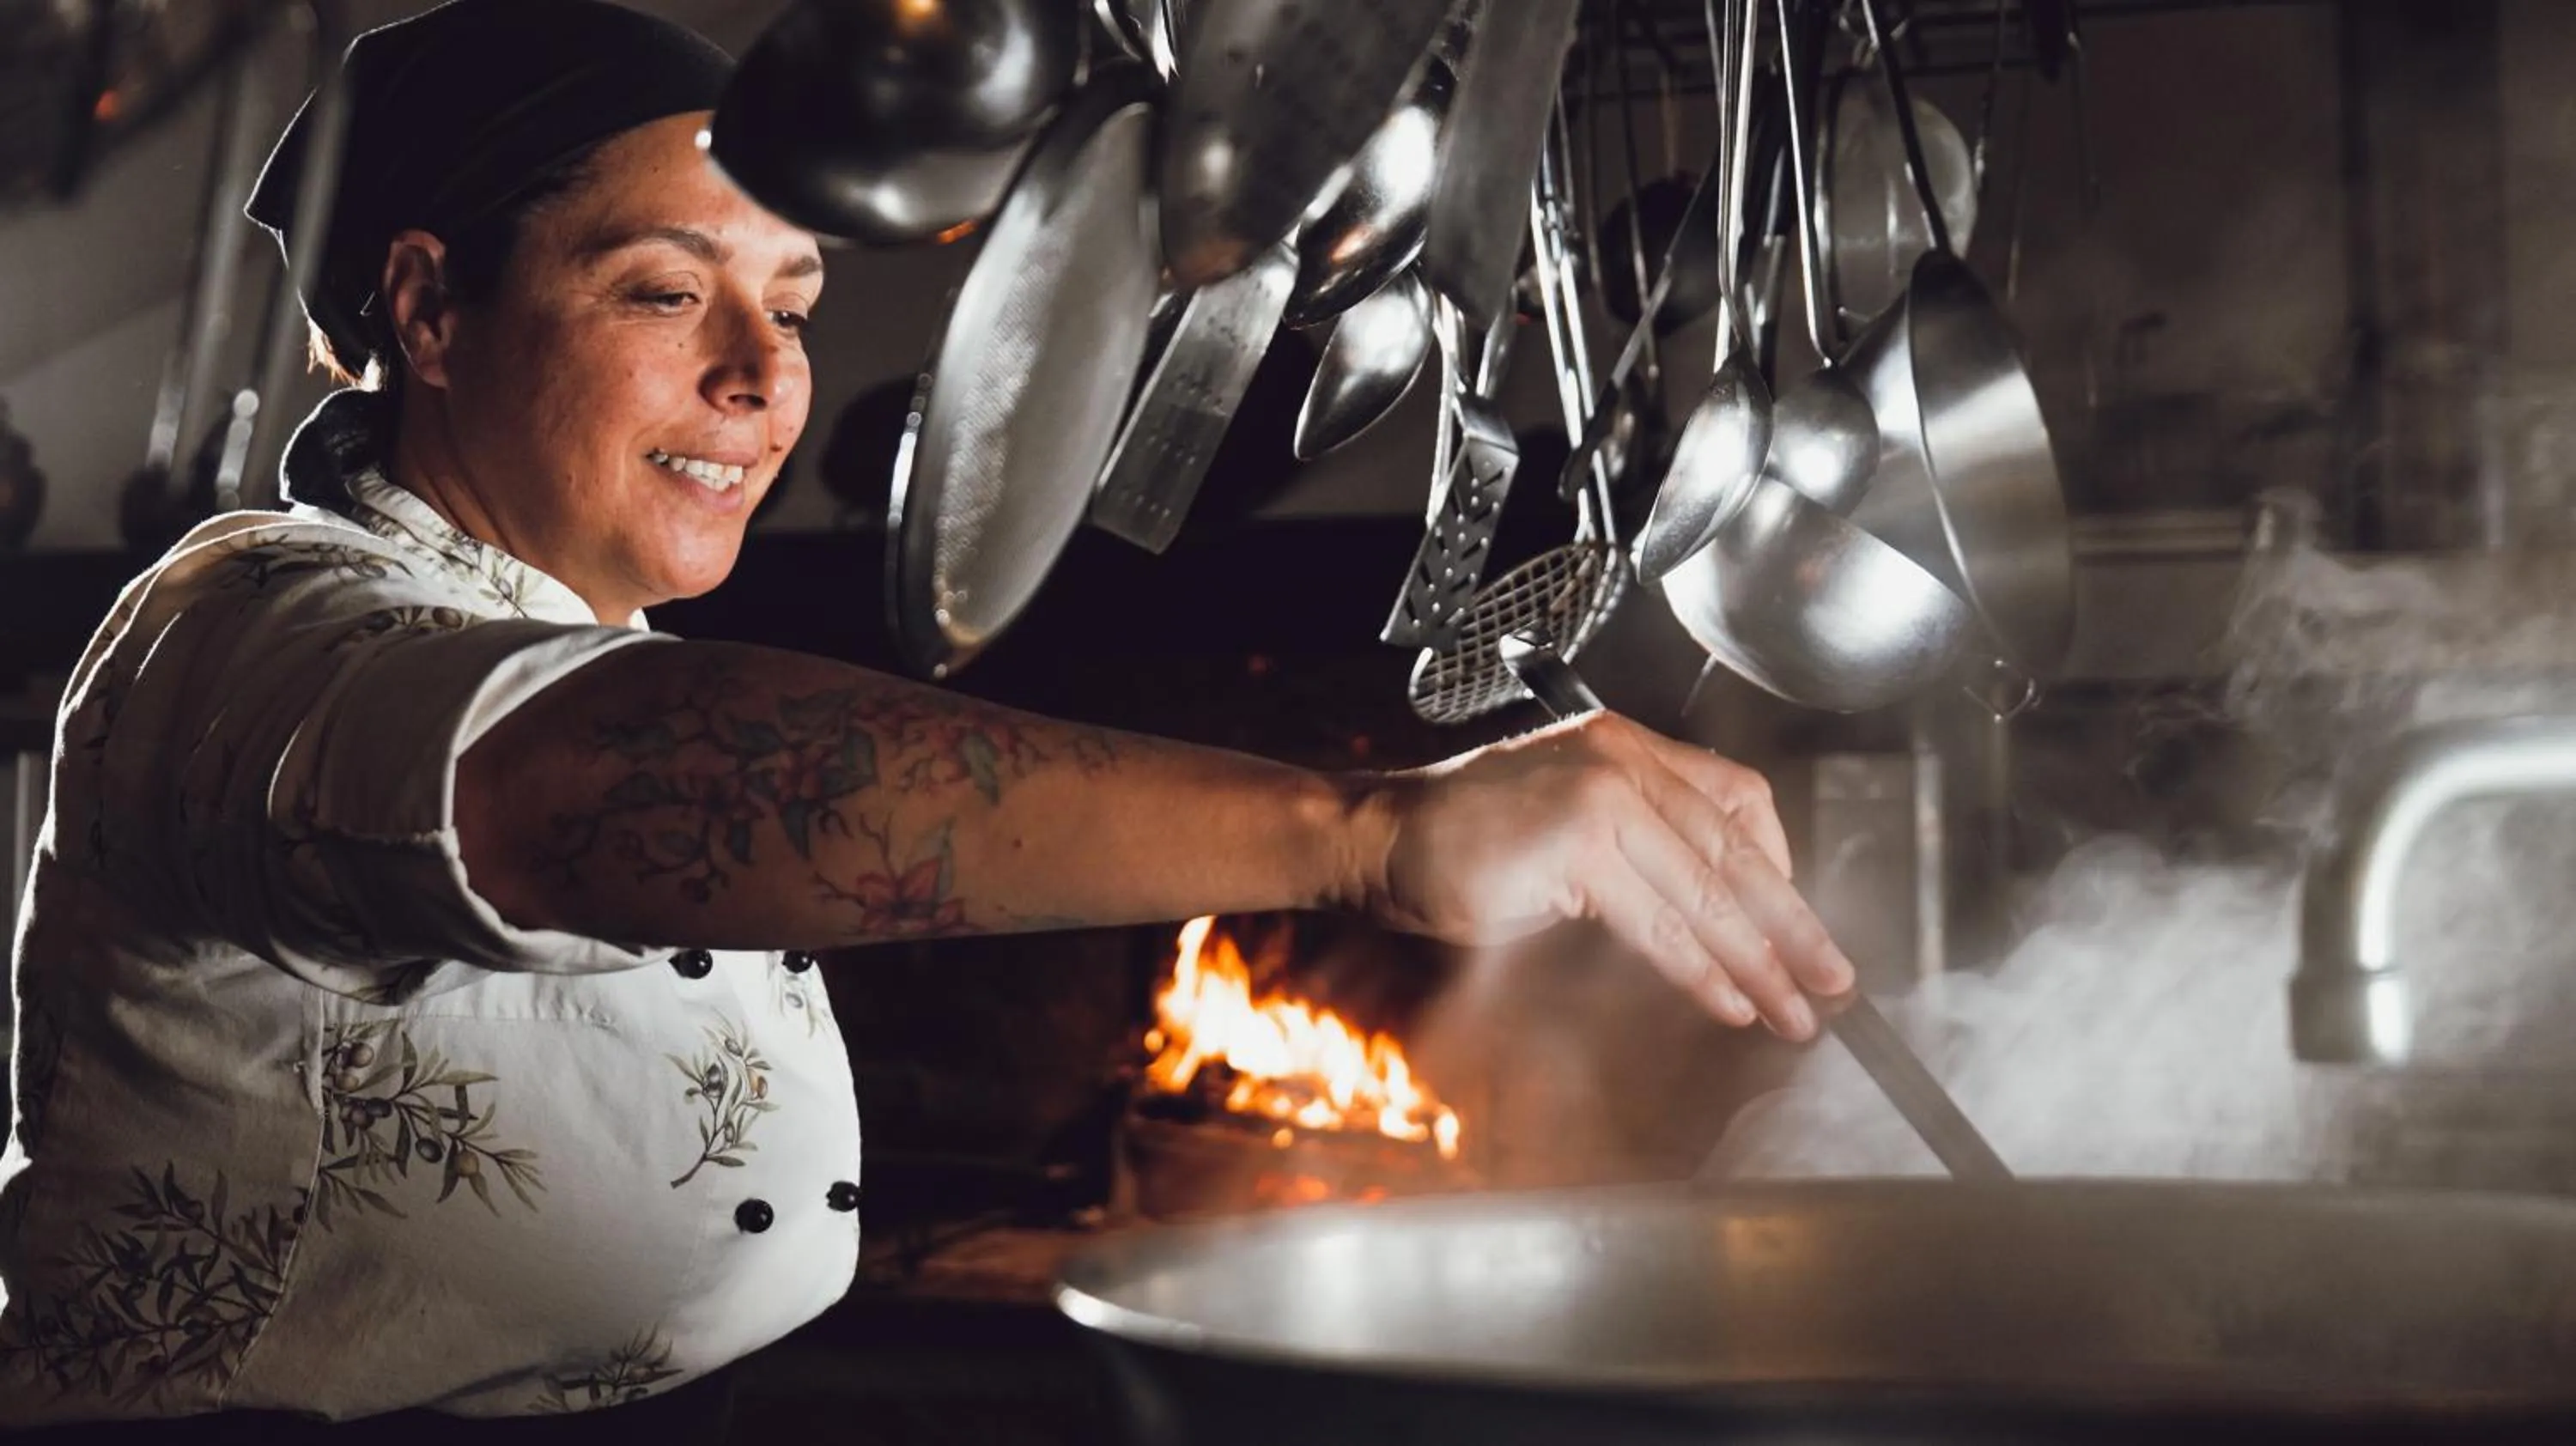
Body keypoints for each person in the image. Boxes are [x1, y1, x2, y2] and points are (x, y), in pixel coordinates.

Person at [0, 0, 1854, 1435]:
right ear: (427, 304)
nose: (760, 376)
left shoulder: (586, 617)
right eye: (665, 290)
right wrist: (1365, 833)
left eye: (791, 304)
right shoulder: (248, 625)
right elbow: (582, 781)